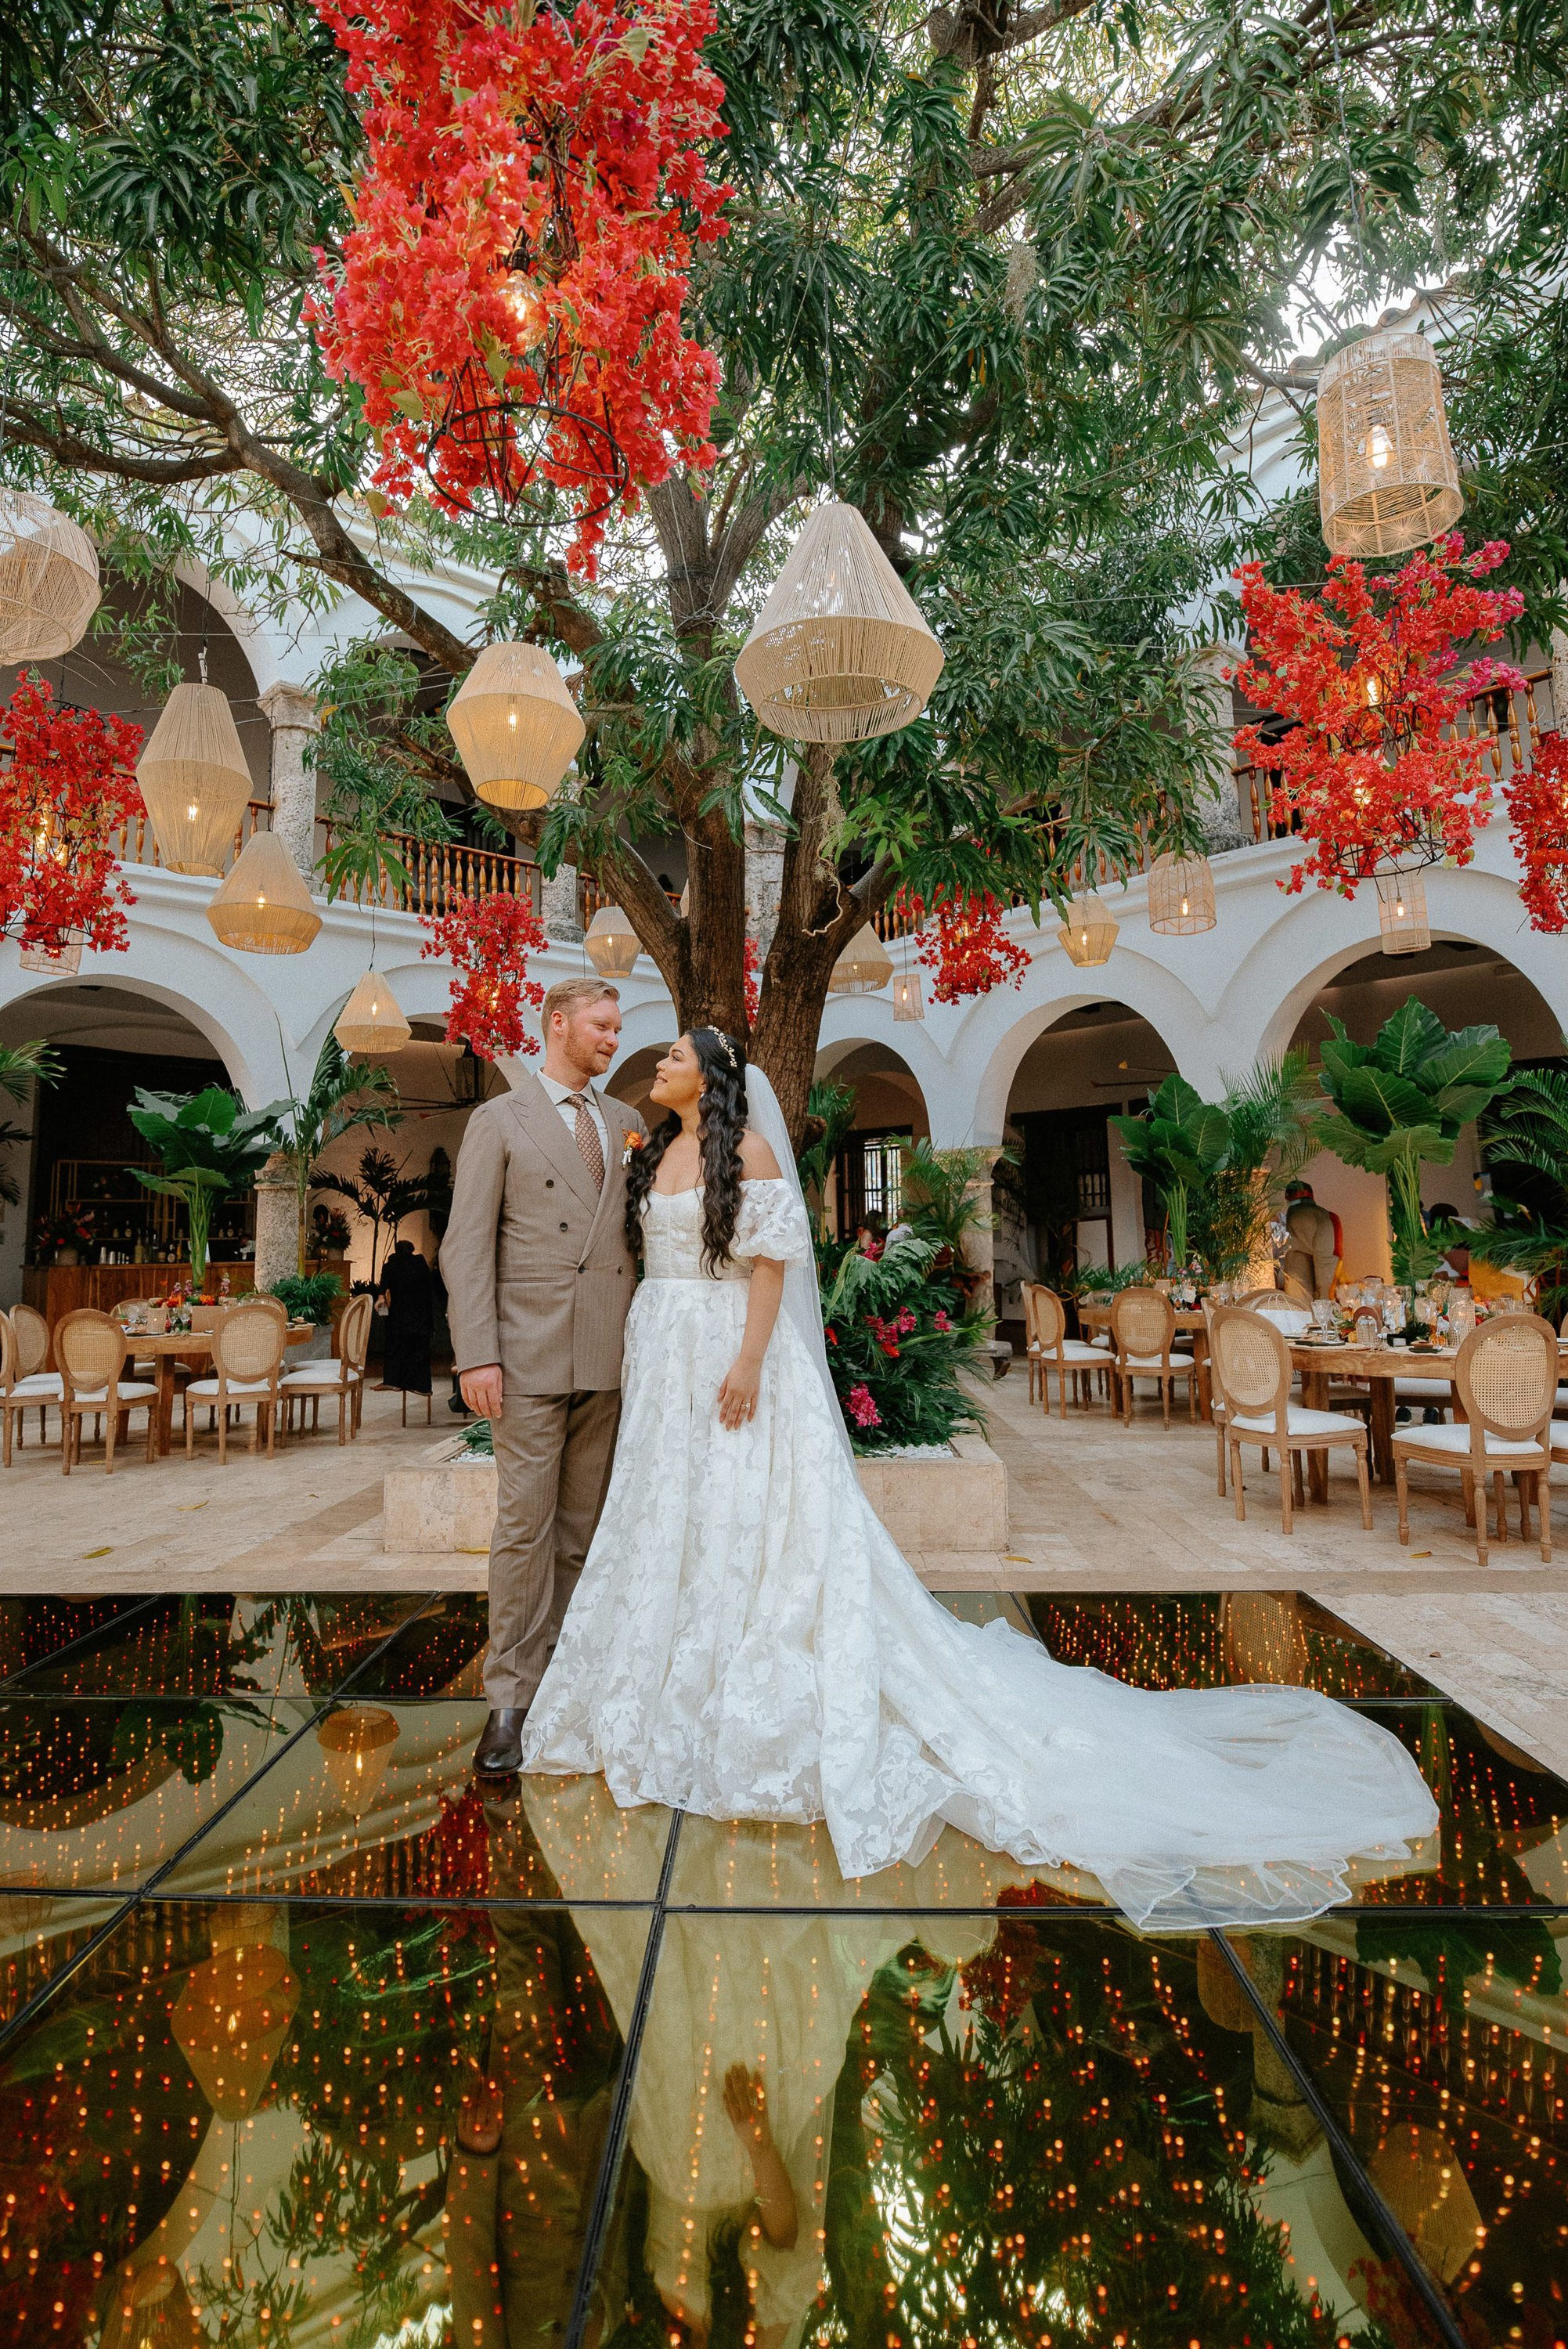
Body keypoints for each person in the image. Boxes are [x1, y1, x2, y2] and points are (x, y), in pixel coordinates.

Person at [513, 1027, 1439, 1932]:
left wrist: (751, 1362)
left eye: (675, 1054)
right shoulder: (654, 1154)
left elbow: (767, 1269)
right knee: (668, 1522)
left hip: (727, 1353)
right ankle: (667, 1682)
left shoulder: (746, 1149)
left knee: (749, 1520)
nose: (660, 1062)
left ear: (709, 1080)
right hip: (662, 1355)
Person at [440, 976, 647, 1775]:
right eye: (601, 1025)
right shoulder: (499, 1119)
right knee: (523, 1530)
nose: (613, 1037)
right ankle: (509, 1699)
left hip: (606, 1352)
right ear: (557, 1025)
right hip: (523, 1356)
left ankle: (566, 1678)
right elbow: (466, 1246)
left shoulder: (627, 1122)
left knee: (581, 1530)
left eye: (617, 1025)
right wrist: (476, 1353)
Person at [373, 1236, 435, 1395]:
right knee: (419, 1350)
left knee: (396, 1347)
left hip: (399, 1315)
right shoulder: (420, 1263)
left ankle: (393, 1381)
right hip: (421, 1314)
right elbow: (429, 1289)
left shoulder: (392, 1264)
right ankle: (422, 1386)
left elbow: (384, 1284)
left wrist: (381, 1297)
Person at [1281, 1180, 1340, 1299]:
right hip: (1325, 1230)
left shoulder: (1292, 1213)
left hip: (1297, 1246)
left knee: (1298, 1290)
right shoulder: (1325, 1215)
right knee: (1326, 1289)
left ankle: (1303, 1313)